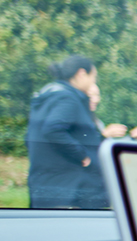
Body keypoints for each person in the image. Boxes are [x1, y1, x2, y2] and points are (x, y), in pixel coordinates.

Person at [25, 55, 110, 209]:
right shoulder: (67, 98)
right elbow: (52, 129)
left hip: (46, 183)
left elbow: (29, 137)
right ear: (82, 74)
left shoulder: (47, 96)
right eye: (93, 77)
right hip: (68, 190)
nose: (93, 82)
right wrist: (83, 156)